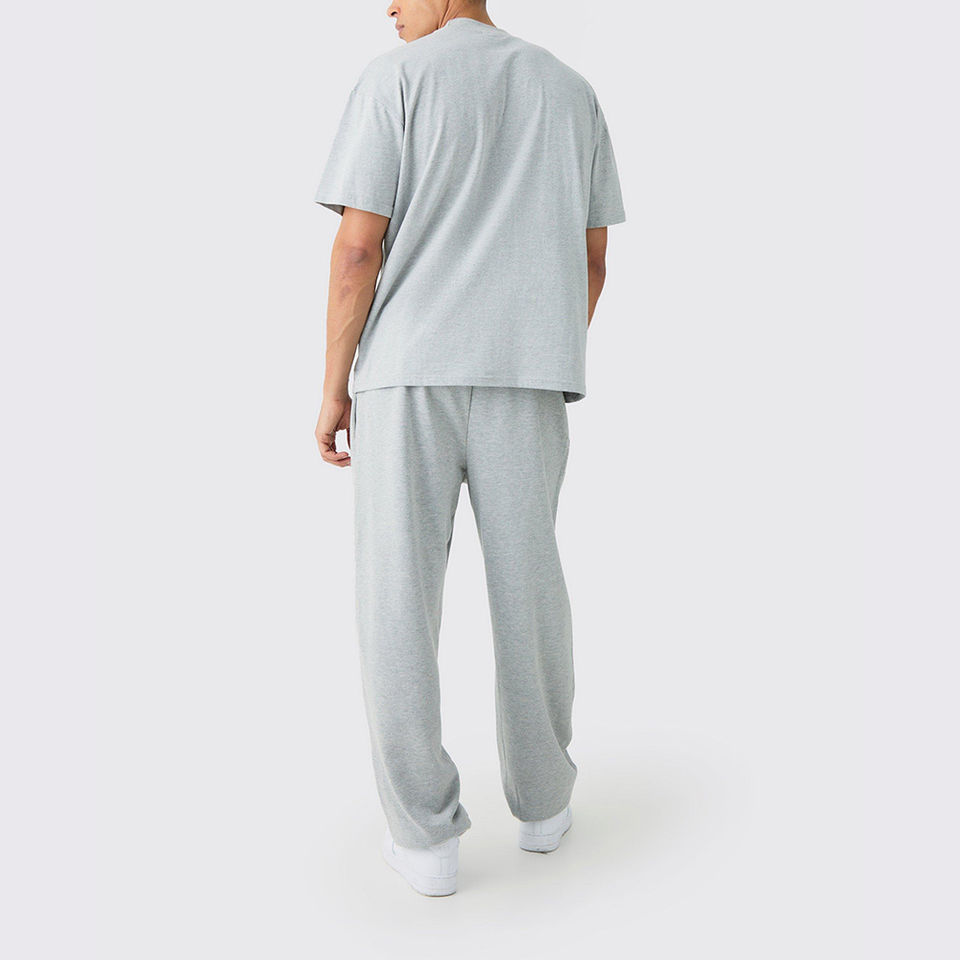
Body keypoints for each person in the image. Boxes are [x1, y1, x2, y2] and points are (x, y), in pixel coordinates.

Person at [313, 1, 625, 897]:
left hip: (407, 373)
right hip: (527, 373)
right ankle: (545, 806)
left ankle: (425, 841)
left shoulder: (395, 81)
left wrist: (334, 385)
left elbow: (357, 250)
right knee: (531, 586)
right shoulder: (570, 90)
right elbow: (592, 260)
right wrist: (537, 343)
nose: (388, 6)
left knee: (398, 599)